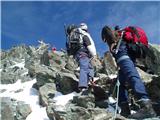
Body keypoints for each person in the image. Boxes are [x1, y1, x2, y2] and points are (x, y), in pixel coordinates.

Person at [101, 25, 156, 119]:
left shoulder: (115, 39)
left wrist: (113, 47)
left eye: (104, 39)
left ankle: (146, 106)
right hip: (127, 56)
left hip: (123, 55)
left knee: (131, 76)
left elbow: (118, 50)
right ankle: (125, 109)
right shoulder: (121, 36)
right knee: (120, 83)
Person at [66, 23, 97, 95]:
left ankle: (89, 80)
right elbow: (88, 43)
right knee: (85, 67)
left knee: (89, 67)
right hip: (83, 52)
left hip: (77, 54)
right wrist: (94, 54)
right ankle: (83, 86)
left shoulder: (72, 35)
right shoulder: (83, 33)